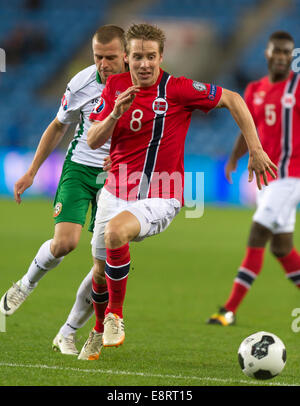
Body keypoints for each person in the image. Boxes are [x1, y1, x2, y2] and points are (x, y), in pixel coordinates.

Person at [76, 22, 277, 361]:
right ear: (126, 57)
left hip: (161, 194)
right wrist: (113, 114)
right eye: (137, 57)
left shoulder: (179, 89)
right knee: (98, 273)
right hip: (115, 190)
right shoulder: (114, 86)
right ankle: (98, 329)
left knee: (114, 233)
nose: (144, 64)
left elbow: (234, 99)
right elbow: (93, 139)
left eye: (150, 57)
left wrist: (255, 149)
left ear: (161, 57)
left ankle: (115, 316)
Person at [0, 25, 127, 355]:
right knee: (65, 242)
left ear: (125, 55)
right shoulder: (81, 83)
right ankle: (24, 285)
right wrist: (31, 170)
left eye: (111, 57)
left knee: (102, 268)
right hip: (80, 169)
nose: (103, 64)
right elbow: (59, 125)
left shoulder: (141, 86)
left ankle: (68, 332)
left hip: (115, 180)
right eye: (98, 57)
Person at [207, 31, 300, 326]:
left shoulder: (297, 87)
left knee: (258, 233)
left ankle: (228, 310)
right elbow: (249, 128)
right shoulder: (255, 90)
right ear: (267, 54)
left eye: (288, 52)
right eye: (278, 51)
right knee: (281, 247)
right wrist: (234, 157)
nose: (283, 57)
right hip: (267, 178)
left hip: (291, 176)